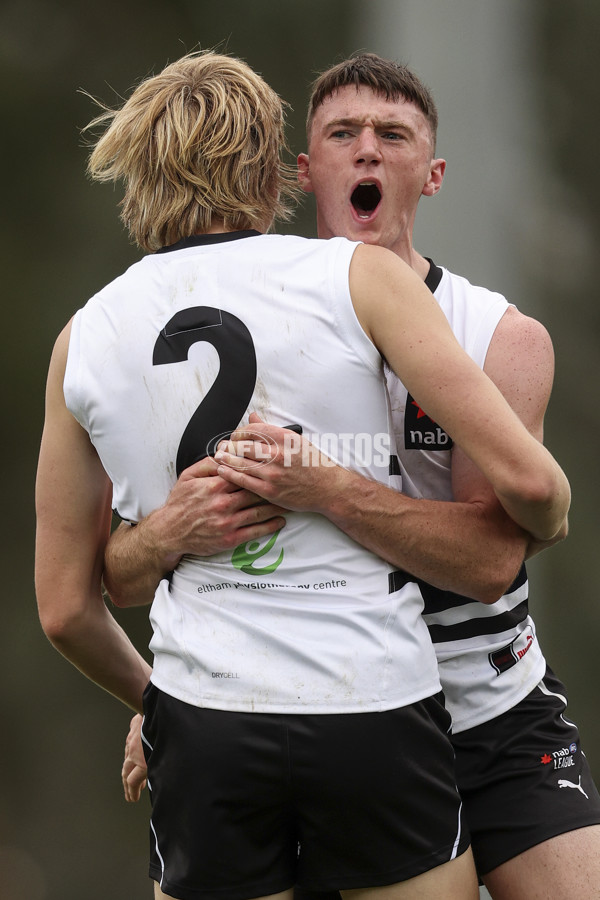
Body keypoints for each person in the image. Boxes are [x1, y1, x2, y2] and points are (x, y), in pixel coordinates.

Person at [33, 50, 571, 900]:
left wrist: (157, 699)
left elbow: (65, 607)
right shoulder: (352, 279)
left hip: (211, 720)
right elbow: (536, 490)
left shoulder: (83, 336)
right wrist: (553, 513)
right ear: (277, 166)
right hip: (374, 702)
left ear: (137, 167)